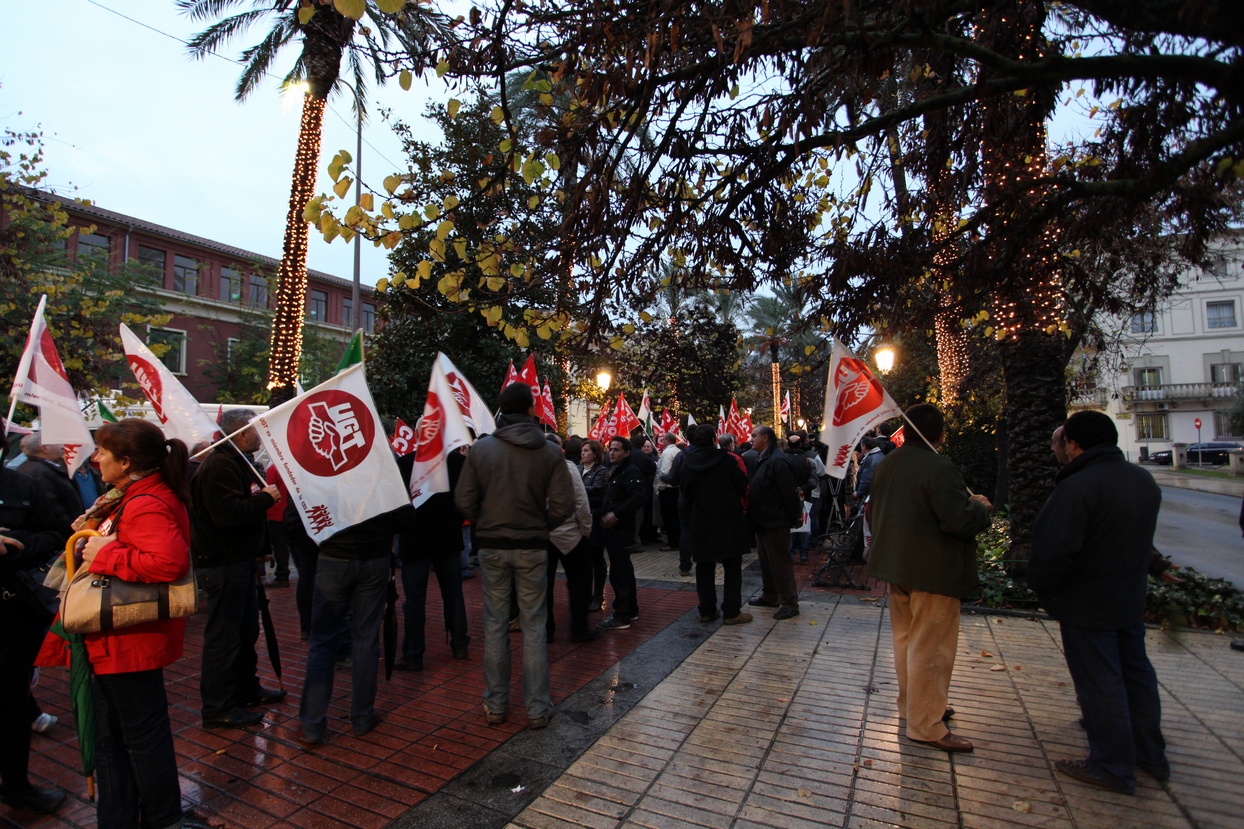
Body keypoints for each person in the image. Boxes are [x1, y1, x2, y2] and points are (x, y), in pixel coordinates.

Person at [1029, 410, 1168, 794]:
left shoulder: (1079, 487)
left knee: (1100, 682)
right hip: (1128, 597)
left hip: (1087, 601)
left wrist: (1042, 588)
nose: (1056, 448)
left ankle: (1110, 764)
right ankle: (1148, 754)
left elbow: (1054, 550)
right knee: (1136, 675)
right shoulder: (1142, 481)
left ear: (1074, 444)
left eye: (1060, 442)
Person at [79, 419, 200, 828]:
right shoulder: (134, 493)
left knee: (136, 736)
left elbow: (168, 561)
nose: (95, 458)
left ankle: (161, 818)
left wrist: (101, 554)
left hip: (128, 636)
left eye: (102, 453)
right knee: (117, 735)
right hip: (120, 634)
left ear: (127, 462)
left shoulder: (145, 501)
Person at [866, 404, 992, 752]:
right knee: (931, 647)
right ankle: (926, 725)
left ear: (903, 432)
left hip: (896, 568)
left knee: (907, 643)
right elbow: (958, 520)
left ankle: (916, 707)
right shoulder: (939, 467)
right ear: (940, 434)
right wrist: (980, 509)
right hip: (932, 570)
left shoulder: (888, 463)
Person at [455, 383, 575, 728]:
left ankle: (496, 704)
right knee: (534, 626)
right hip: (533, 546)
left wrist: (487, 521)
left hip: (493, 546)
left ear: (501, 409)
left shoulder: (481, 450)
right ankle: (537, 707)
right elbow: (565, 504)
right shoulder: (550, 452)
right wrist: (540, 524)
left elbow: (464, 500)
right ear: (531, 408)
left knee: (495, 625)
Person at [294, 494, 415, 744]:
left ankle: (312, 724)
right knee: (366, 638)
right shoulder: (379, 462)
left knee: (323, 641)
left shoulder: (320, 466)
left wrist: (321, 544)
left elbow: (293, 519)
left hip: (334, 556)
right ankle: (361, 717)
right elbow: (406, 515)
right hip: (373, 556)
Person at [191, 409, 285, 730]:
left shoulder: (238, 462)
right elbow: (228, 515)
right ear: (241, 434)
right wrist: (265, 500)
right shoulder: (219, 465)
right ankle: (217, 707)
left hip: (239, 561)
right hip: (222, 563)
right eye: (256, 430)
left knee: (245, 631)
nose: (261, 435)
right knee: (224, 637)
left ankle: (246, 689)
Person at [0, 457, 67, 816]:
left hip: (11, 614)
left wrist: (15, 544)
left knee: (12, 704)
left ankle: (15, 785)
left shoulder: (21, 486)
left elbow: (54, 535)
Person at [394, 448, 469, 671]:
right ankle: (459, 645)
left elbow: (397, 501)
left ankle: (413, 653)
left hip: (415, 539)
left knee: (414, 600)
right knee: (454, 594)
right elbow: (466, 499)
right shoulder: (458, 462)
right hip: (448, 537)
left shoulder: (406, 462)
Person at [680, 425, 751, 625]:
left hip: (701, 518)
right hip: (728, 518)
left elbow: (685, 492)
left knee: (703, 565)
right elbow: (742, 485)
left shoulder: (687, 463)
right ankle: (731, 611)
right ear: (714, 439)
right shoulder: (727, 460)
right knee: (732, 566)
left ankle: (707, 610)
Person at [544, 433, 598, 643]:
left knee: (543, 586)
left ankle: (546, 631)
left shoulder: (530, 469)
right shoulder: (566, 468)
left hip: (542, 535)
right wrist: (585, 530)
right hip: (569, 535)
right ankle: (579, 628)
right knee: (579, 583)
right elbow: (581, 502)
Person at [747, 426, 803, 619]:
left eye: (754, 436)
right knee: (765, 561)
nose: (751, 438)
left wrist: (793, 517)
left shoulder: (778, 460)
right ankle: (770, 594)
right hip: (763, 520)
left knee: (780, 562)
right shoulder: (763, 458)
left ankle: (789, 602)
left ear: (766, 438)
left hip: (775, 520)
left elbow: (789, 493)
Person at [595, 436, 648, 630]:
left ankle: (622, 615)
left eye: (616, 449)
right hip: (615, 529)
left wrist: (616, 514)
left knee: (620, 572)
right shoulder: (618, 470)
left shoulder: (630, 471)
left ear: (626, 452)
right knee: (622, 569)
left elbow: (639, 497)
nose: (612, 452)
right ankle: (630, 610)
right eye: (611, 449)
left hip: (621, 529)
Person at [17, 432, 81, 532]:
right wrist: (73, 529)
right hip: (65, 533)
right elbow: (53, 508)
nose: (62, 446)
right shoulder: (38, 472)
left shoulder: (38, 468)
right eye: (57, 443)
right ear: (44, 448)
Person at [578, 439, 610, 611]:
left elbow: (597, 491)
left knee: (596, 556)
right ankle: (586, 594)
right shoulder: (578, 469)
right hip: (580, 519)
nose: (583, 453)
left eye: (586, 451)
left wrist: (577, 490)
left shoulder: (602, 471)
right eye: (582, 450)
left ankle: (598, 595)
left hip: (595, 519)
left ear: (595, 454)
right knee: (584, 559)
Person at [263, 463, 291, 588]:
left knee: (280, 547)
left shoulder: (273, 469)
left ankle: (282, 575)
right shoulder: (288, 467)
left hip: (276, 512)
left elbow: (267, 488)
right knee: (290, 546)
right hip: (289, 512)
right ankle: (284, 573)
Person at [655, 433, 682, 552]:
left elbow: (664, 472)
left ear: (666, 441)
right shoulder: (678, 451)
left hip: (667, 488)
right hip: (676, 488)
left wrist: (662, 482)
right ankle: (677, 539)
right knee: (675, 517)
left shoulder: (666, 453)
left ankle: (672, 542)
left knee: (669, 517)